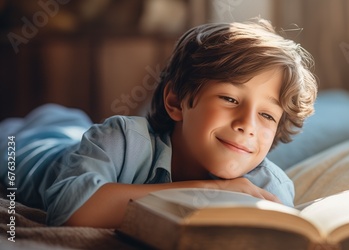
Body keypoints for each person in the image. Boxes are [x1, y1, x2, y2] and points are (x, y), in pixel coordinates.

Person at [0, 18, 317, 228]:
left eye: (266, 115)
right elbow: (71, 212)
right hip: (34, 147)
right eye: (230, 99)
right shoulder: (121, 138)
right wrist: (210, 190)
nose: (247, 125)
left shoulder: (267, 187)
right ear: (176, 102)